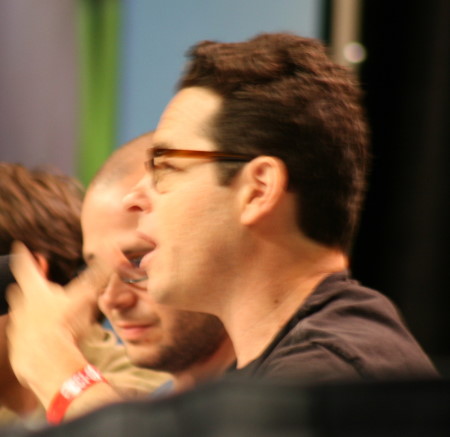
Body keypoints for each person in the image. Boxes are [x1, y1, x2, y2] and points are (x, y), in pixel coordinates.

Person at [121, 32, 438, 381]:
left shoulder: (325, 378)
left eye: (166, 167)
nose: (133, 198)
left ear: (258, 190)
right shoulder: (299, 367)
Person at [4, 133, 234, 424]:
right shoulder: (166, 406)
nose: (111, 300)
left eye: (138, 261)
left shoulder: (294, 375)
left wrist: (54, 364)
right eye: (94, 271)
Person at [0, 163, 168, 426]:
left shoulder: (150, 397)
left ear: (27, 277)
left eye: (137, 260)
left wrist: (60, 372)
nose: (113, 298)